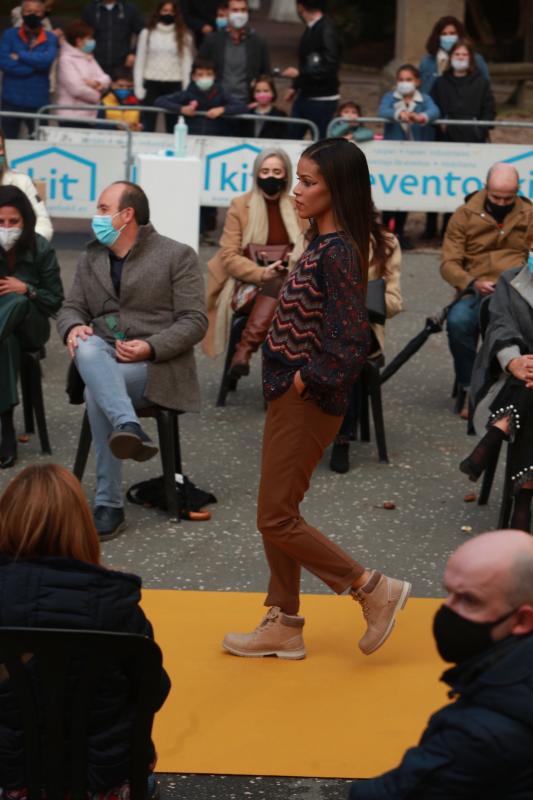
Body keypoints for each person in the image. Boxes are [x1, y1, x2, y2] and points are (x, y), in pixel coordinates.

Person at [222, 139, 411, 660]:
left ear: (338, 189)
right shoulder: (323, 244)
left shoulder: (341, 251)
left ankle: (372, 588)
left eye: (308, 182)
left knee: (276, 517)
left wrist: (307, 380)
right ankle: (283, 621)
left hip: (306, 399)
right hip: (291, 394)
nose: (296, 190)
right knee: (275, 509)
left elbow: (350, 338)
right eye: (298, 180)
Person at [0, 463, 171, 797]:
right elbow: (154, 692)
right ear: (82, 526)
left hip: (13, 775)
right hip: (101, 777)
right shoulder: (118, 606)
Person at [56, 181, 207, 541]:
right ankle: (129, 426)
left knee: (97, 391)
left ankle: (109, 504)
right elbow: (71, 307)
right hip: (102, 357)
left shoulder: (176, 255)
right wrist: (73, 327)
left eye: (104, 209)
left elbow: (194, 320)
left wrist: (150, 347)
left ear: (128, 215)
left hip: (157, 367)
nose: (97, 217)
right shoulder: (90, 257)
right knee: (88, 347)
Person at [349, 529, 533, 799]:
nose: (447, 610)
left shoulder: (479, 734)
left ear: (522, 620)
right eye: (448, 593)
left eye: (470, 601)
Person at [202, 147, 308, 377]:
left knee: (281, 283)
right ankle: (276, 371)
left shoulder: (298, 206)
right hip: (246, 285)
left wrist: (293, 261)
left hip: (291, 283)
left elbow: (309, 247)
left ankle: (244, 350)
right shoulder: (241, 205)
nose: (270, 176)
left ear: (287, 175)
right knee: (278, 285)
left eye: (277, 172)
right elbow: (228, 256)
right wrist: (261, 274)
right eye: (265, 170)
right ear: (256, 174)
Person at [441, 163, 533, 413]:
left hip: (517, 290)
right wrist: (471, 282)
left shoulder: (528, 213)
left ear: (518, 191)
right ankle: (471, 387)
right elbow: (448, 263)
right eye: (496, 197)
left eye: (508, 198)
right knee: (459, 321)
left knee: (519, 326)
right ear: (485, 188)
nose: (502, 203)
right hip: (476, 287)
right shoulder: (464, 214)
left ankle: (514, 385)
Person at [460, 252, 533, 532]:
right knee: (528, 386)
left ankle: (498, 432)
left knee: (528, 390)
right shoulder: (511, 279)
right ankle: (524, 499)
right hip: (516, 378)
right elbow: (500, 326)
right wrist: (514, 361)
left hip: (518, 391)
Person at [330, 209, 402, 474]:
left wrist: (358, 301)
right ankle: (305, 432)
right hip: (319, 323)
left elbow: (395, 301)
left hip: (363, 327)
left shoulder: (387, 243)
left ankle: (342, 438)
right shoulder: (313, 238)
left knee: (351, 349)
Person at [0, 185, 63, 469]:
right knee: (5, 342)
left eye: (13, 222)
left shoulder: (40, 248)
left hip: (33, 324)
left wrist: (28, 290)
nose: (7, 227)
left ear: (25, 220)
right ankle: (6, 431)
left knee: (17, 301)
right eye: (0, 222)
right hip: (7, 334)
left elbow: (55, 301)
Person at [378, 63, 440, 249]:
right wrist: (399, 113)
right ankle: (385, 231)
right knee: (390, 193)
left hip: (414, 155)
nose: (404, 83)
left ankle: (399, 231)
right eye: (401, 80)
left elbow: (435, 111)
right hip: (393, 155)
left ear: (417, 81)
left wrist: (421, 118)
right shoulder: (390, 97)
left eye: (409, 80)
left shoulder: (425, 99)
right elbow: (383, 111)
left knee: (404, 196)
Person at [282, 0, 341, 139]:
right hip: (306, 95)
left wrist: (299, 74)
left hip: (322, 99)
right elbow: (307, 62)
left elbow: (330, 66)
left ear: (300, 7)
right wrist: (296, 86)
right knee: (292, 138)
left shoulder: (326, 30)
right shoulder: (312, 28)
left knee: (320, 142)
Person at [133, 1, 194, 134]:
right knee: (147, 124)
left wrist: (187, 88)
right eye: (164, 11)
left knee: (174, 125)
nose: (168, 14)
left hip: (174, 84)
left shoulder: (184, 35)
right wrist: (138, 86)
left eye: (171, 11)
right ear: (158, 12)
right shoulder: (146, 33)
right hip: (151, 83)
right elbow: (140, 62)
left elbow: (187, 64)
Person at [0, 0, 58, 140]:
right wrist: (33, 67)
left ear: (43, 14)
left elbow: (46, 61)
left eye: (37, 12)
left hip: (38, 101)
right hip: (11, 99)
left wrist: (20, 55)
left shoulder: (50, 38)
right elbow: (4, 62)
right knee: (6, 143)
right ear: (21, 13)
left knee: (39, 144)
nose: (33, 15)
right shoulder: (9, 35)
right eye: (28, 11)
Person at [198, 0, 270, 105]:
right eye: (235, 10)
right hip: (216, 103)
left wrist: (259, 99)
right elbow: (198, 69)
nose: (239, 14)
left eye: (243, 10)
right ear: (226, 12)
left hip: (247, 104)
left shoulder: (258, 42)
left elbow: (265, 73)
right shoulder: (212, 40)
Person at [155, 57, 248, 136]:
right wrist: (181, 109)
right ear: (193, 77)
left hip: (216, 139)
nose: (205, 77)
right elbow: (160, 101)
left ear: (214, 76)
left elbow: (242, 106)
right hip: (190, 137)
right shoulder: (187, 94)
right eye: (200, 74)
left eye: (209, 74)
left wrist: (222, 110)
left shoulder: (221, 94)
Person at [430, 38, 494, 145]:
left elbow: (489, 109)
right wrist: (441, 126)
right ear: (450, 57)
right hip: (445, 140)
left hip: (474, 140)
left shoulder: (482, 83)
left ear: (471, 58)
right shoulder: (440, 82)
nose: (460, 57)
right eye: (457, 54)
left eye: (464, 54)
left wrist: (480, 129)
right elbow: (433, 107)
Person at [56, 19, 111, 126]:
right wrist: (97, 96)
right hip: (71, 117)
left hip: (91, 116)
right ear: (79, 41)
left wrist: (96, 83)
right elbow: (77, 89)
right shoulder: (66, 59)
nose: (93, 41)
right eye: (90, 38)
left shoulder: (89, 57)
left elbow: (106, 78)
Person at [0, 129, 53, 241]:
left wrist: (28, 246)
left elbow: (43, 223)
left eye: (1, 148)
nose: (1, 153)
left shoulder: (22, 182)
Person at [419, 14, 489, 95]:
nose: (448, 37)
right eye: (444, 34)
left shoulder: (476, 59)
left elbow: (485, 89)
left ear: (460, 35)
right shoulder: (427, 62)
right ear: (437, 37)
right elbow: (423, 92)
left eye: (452, 33)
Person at [82, 0, 144, 77]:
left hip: (123, 63)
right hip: (95, 62)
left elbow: (143, 34)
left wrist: (134, 53)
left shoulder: (130, 9)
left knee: (121, 89)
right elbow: (82, 34)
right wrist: (85, 52)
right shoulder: (91, 9)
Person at [247, 75, 288, 139]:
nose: (262, 94)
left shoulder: (280, 115)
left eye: (266, 91)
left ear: (273, 93)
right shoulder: (248, 114)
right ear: (253, 94)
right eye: (258, 91)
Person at [101, 67, 142, 131]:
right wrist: (116, 126)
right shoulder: (103, 102)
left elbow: (145, 125)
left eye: (129, 86)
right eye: (120, 86)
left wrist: (141, 127)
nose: (124, 89)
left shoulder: (136, 103)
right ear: (112, 85)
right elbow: (98, 126)